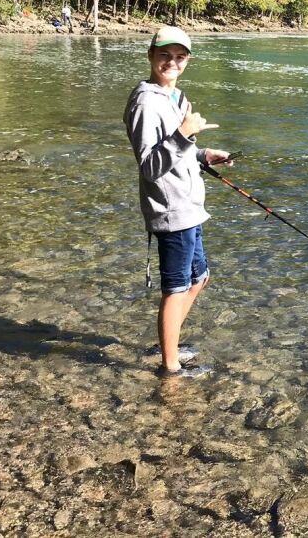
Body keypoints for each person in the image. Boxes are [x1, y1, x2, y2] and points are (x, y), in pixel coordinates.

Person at [123, 26, 233, 377]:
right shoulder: (145, 102)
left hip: (190, 206)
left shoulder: (176, 97)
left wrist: (203, 154)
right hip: (170, 210)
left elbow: (178, 151)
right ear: (150, 56)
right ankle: (170, 368)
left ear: (187, 60)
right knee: (176, 288)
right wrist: (185, 133)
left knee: (200, 278)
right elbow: (150, 166)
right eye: (164, 55)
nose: (172, 62)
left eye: (180, 57)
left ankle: (168, 342)